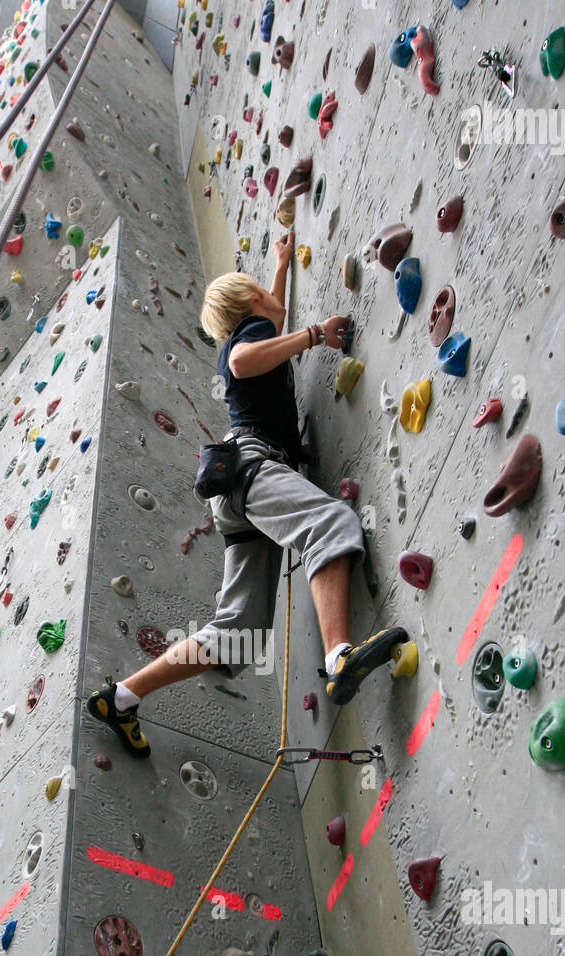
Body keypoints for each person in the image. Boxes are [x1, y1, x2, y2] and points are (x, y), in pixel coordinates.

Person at [87, 229, 408, 758]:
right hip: (253, 468)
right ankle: (340, 657)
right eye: (261, 291)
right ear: (249, 302)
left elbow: (271, 316)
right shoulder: (245, 344)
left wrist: (281, 263)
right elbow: (247, 356)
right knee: (328, 523)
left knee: (239, 631)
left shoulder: (255, 329)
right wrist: (315, 336)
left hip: (233, 490)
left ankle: (121, 696)